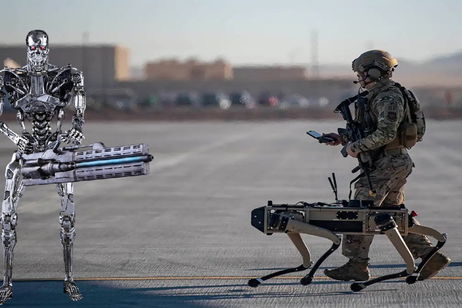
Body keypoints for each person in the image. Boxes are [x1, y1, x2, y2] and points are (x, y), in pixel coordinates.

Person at [322, 50, 450, 281]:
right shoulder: (378, 95)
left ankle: (357, 265)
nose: (359, 78)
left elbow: (386, 133)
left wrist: (356, 147)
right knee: (391, 214)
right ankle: (430, 257)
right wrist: (343, 138)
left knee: (360, 211)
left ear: (374, 71)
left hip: (388, 162)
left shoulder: (387, 97)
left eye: (361, 73)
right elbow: (373, 131)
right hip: (390, 161)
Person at [0, 30, 85, 303]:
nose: (37, 53)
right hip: (25, 152)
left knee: (68, 215)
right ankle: (7, 283)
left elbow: (80, 102)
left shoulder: (66, 76)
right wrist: (15, 137)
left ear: (47, 49)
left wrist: (77, 129)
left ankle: (69, 280)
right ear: (27, 49)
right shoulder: (9, 78)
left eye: (41, 49)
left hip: (55, 148)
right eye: (33, 49)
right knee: (7, 217)